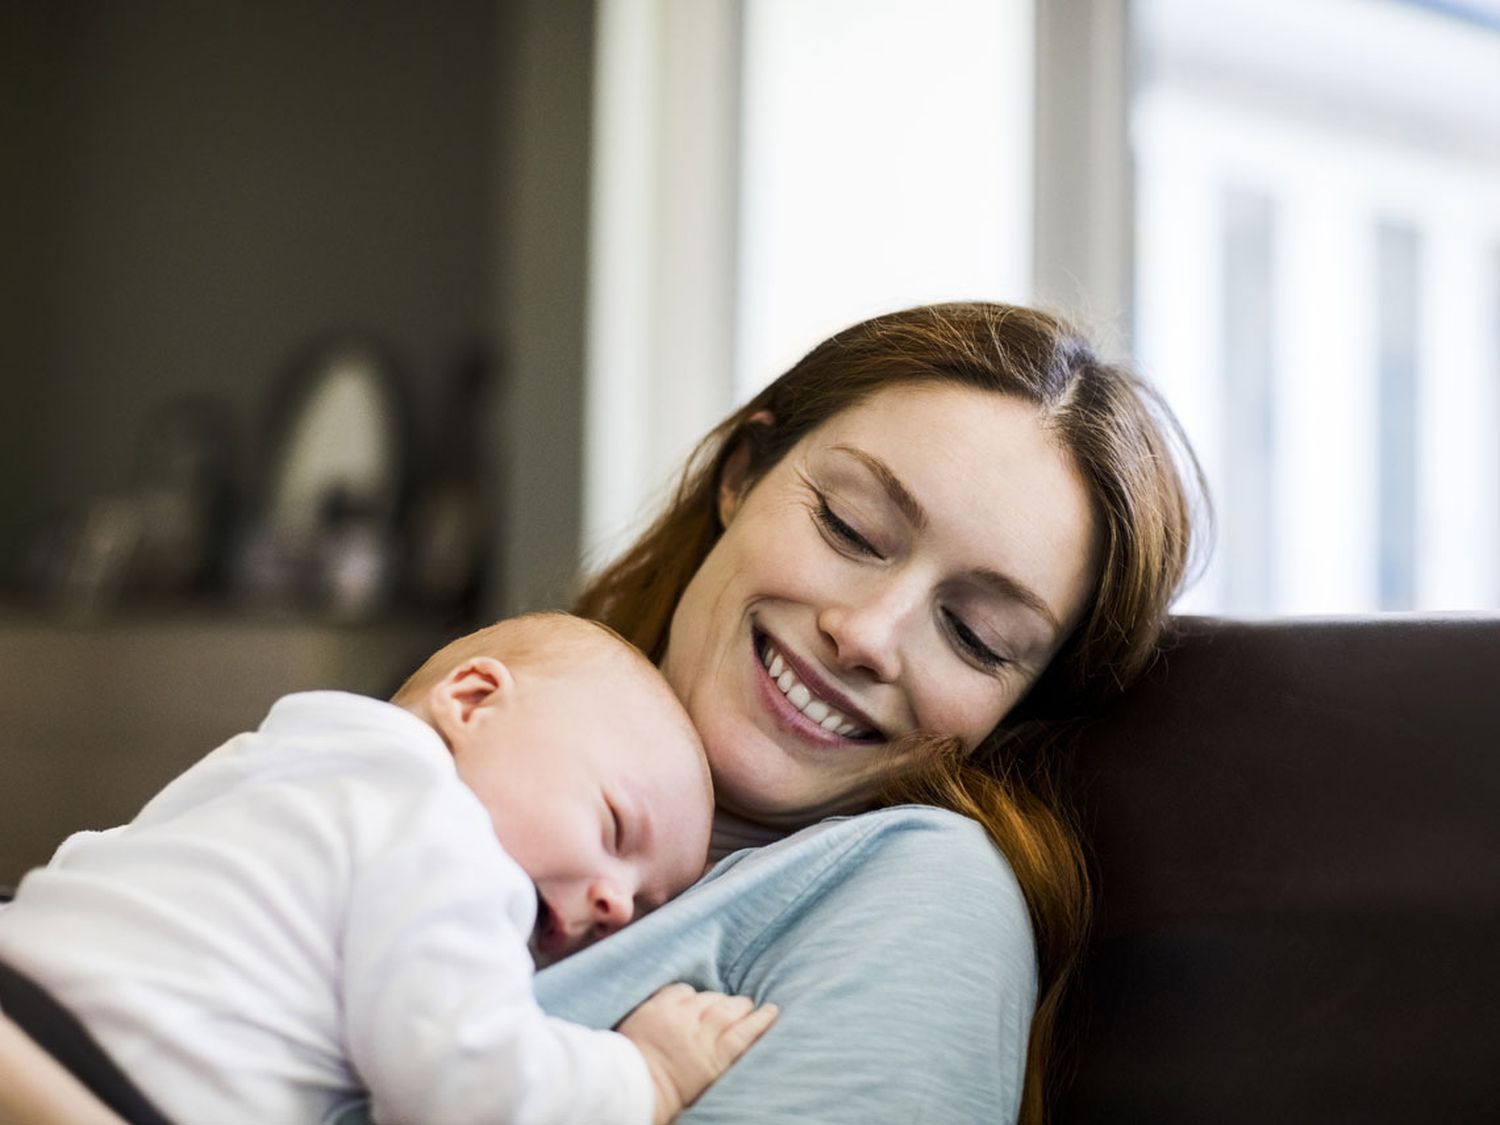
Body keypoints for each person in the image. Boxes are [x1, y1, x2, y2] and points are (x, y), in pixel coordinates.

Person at [1, 301, 1203, 1125]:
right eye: (850, 527)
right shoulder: (471, 757)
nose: (867, 633)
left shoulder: (921, 892)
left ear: (1017, 707)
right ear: (742, 475)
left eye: (976, 634)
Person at [0, 613, 778, 1125]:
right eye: (613, 824)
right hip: (107, 1080)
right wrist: (649, 1073)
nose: (615, 901)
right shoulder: (440, 830)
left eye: (645, 904)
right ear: (471, 701)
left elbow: (93, 860)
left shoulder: (278, 758)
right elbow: (468, 1087)